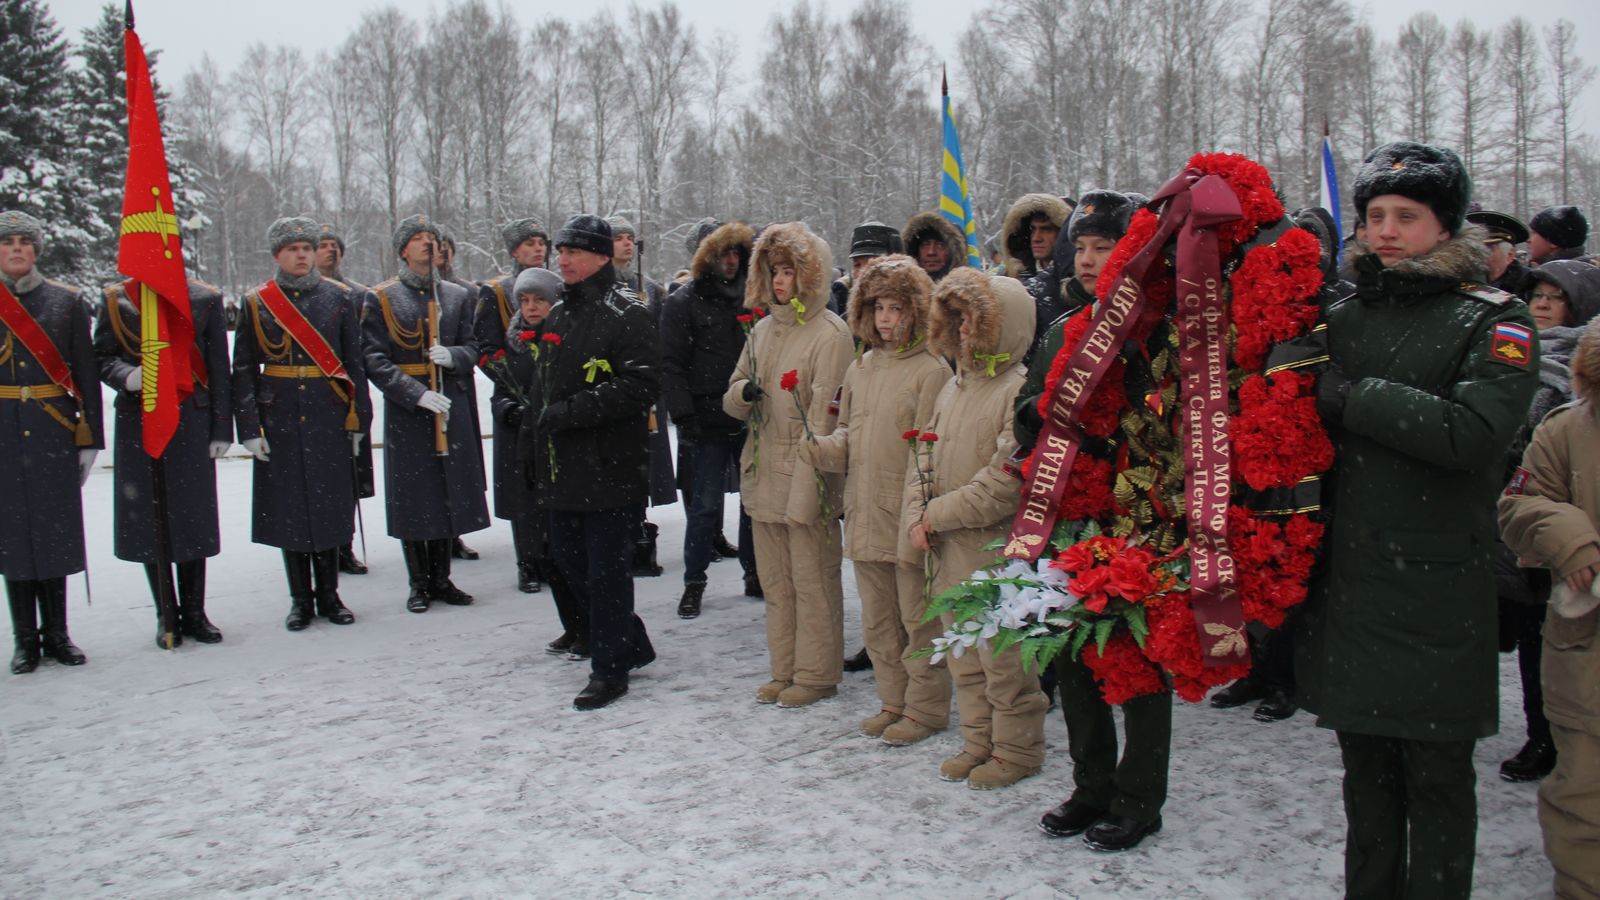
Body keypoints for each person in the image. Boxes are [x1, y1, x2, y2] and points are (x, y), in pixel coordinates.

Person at [1295, 141, 1539, 897]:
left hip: (1434, 591)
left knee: (1436, 780)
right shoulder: (1339, 316)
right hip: (1356, 589)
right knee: (1365, 778)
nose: (1387, 231)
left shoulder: (1495, 319)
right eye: (1374, 216)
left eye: (1407, 216)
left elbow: (1474, 436)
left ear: (1446, 226)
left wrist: (1356, 397)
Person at [801, 254, 952, 742]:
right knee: (879, 624)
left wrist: (920, 511)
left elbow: (931, 450)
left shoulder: (932, 371)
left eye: (897, 308)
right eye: (879, 307)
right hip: (864, 513)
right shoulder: (861, 368)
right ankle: (894, 701)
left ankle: (925, 709)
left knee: (917, 623)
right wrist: (821, 448)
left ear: (918, 310)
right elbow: (848, 432)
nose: (887, 319)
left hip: (904, 514)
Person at [906, 268, 1043, 788]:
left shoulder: (1018, 392)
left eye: (972, 321)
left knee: (1005, 660)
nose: (962, 331)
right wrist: (922, 507)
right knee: (964, 653)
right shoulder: (953, 387)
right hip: (947, 549)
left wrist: (935, 514)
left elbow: (1004, 480)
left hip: (994, 549)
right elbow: (926, 450)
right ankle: (979, 741)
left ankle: (1018, 749)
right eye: (956, 319)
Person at [520, 214, 658, 710]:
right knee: (569, 563)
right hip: (564, 468)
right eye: (560, 252)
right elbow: (545, 387)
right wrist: (534, 438)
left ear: (601, 256)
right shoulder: (560, 314)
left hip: (610, 466)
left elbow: (641, 385)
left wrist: (573, 413)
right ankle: (628, 642)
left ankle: (610, 669)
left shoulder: (628, 314)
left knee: (606, 573)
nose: (563, 260)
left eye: (574, 252)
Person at [724, 222, 853, 708]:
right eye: (773, 271)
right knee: (776, 583)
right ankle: (785, 668)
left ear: (811, 275)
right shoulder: (761, 330)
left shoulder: (830, 335)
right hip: (762, 475)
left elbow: (824, 422)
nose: (779, 281)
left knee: (813, 582)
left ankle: (817, 673)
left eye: (789, 271)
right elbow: (733, 391)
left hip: (806, 479)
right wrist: (744, 394)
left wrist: (809, 492)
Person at [1498, 320, 1600, 900]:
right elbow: (1520, 504)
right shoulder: (1569, 429)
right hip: (1587, 649)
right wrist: (1567, 534)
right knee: (1584, 798)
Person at [233, 216, 371, 631]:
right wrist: (249, 427)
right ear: (277, 254)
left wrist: (359, 418)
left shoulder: (340, 297)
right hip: (280, 416)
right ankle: (300, 600)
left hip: (328, 413)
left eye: (307, 249)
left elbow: (354, 363)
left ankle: (330, 596)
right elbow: (243, 367)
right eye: (293, 249)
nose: (301, 255)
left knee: (329, 508)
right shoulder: (258, 302)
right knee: (290, 511)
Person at [95, 275, 231, 647]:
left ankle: (195, 612)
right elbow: (101, 357)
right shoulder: (118, 298)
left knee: (191, 518)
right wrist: (127, 375)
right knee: (149, 519)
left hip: (192, 416)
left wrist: (222, 428)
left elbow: (219, 365)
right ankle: (165, 612)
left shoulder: (205, 297)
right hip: (140, 417)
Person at [363, 215, 490, 614]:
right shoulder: (382, 297)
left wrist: (452, 356)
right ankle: (419, 582)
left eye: (431, 238)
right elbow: (373, 358)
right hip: (409, 411)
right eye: (417, 239)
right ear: (403, 250)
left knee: (445, 493)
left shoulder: (456, 295)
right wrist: (414, 393)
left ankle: (442, 578)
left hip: (449, 400)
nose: (426, 245)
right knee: (414, 498)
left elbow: (474, 346)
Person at [0, 210, 102, 673]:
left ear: (37, 250)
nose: (17, 248)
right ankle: (25, 639)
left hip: (51, 430)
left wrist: (90, 438)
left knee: (53, 534)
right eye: (8, 242)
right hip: (3, 432)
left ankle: (58, 635)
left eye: (25, 241)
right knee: (14, 539)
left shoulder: (66, 302)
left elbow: (85, 372)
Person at [661, 221, 759, 617]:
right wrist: (684, 415)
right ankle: (694, 582)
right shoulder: (683, 302)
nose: (731, 261)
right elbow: (671, 363)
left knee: (753, 502)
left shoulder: (753, 298)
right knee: (703, 508)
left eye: (737, 252)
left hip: (750, 415)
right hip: (706, 418)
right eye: (723, 253)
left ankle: (754, 573)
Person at [496, 266, 589, 657]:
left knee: (571, 552)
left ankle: (587, 626)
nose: (531, 308)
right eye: (525, 300)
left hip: (563, 455)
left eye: (540, 300)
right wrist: (510, 409)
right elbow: (500, 391)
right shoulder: (515, 344)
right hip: (529, 452)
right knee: (545, 551)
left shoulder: (567, 339)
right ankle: (571, 624)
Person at [476, 217, 551, 593]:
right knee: (521, 487)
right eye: (529, 243)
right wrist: (512, 385)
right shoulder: (496, 292)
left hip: (550, 396)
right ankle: (528, 561)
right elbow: (487, 348)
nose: (538, 248)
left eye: (541, 242)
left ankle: (552, 555)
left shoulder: (559, 287)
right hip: (515, 395)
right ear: (513, 251)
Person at [609, 215, 673, 577]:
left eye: (630, 237)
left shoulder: (649, 288)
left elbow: (661, 340)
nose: (627, 244)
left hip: (646, 388)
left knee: (644, 467)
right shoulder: (601, 287)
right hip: (618, 388)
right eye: (618, 238)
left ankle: (641, 535)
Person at [314, 222, 374, 577]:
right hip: (313, 394)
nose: (330, 251)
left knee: (345, 479)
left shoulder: (356, 293)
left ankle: (345, 544)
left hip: (346, 391)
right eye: (323, 245)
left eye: (334, 245)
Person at [431, 223, 483, 563]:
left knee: (458, 471)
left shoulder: (463, 292)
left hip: (457, 385)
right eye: (437, 246)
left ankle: (456, 532)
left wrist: (455, 358)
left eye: (447, 246)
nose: (442, 252)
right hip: (426, 393)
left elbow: (474, 343)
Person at [829, 221, 903, 315]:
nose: (861, 273)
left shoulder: (914, 314)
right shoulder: (841, 310)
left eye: (871, 265)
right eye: (857, 265)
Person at [1466, 208, 1532, 295]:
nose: (1479, 256)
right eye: (1474, 249)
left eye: (1487, 250)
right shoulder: (1460, 281)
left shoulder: (1530, 287)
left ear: (1510, 255)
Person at [901, 211, 969, 283]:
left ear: (953, 252)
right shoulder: (898, 292)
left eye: (940, 245)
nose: (931, 252)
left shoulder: (969, 292)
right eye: (925, 244)